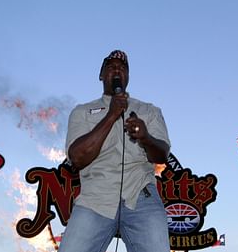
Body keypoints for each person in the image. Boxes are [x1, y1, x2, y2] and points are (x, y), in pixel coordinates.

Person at [58, 50, 171, 252]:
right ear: (101, 75)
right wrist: (111, 115)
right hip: (95, 198)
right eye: (111, 67)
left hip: (141, 196)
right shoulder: (82, 111)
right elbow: (77, 158)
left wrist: (146, 137)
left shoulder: (150, 110)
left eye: (122, 67)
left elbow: (162, 155)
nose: (117, 70)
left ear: (127, 76)